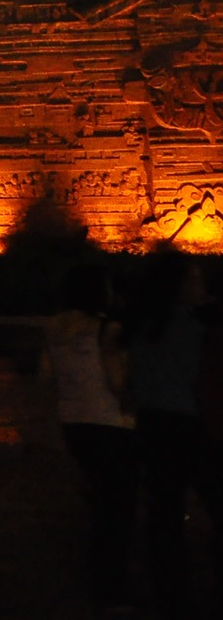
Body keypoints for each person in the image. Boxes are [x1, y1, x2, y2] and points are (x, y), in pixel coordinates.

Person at [127, 249, 221, 613]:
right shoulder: (196, 326)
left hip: (152, 425)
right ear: (177, 285)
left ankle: (170, 593)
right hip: (190, 426)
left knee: (164, 515)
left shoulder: (140, 325)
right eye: (194, 279)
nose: (201, 285)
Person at [46, 263, 135, 611]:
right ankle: (113, 587)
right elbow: (116, 380)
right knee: (118, 511)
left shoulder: (52, 328)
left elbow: (45, 376)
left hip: (73, 421)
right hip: (111, 423)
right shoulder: (107, 329)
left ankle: (95, 576)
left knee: (98, 503)